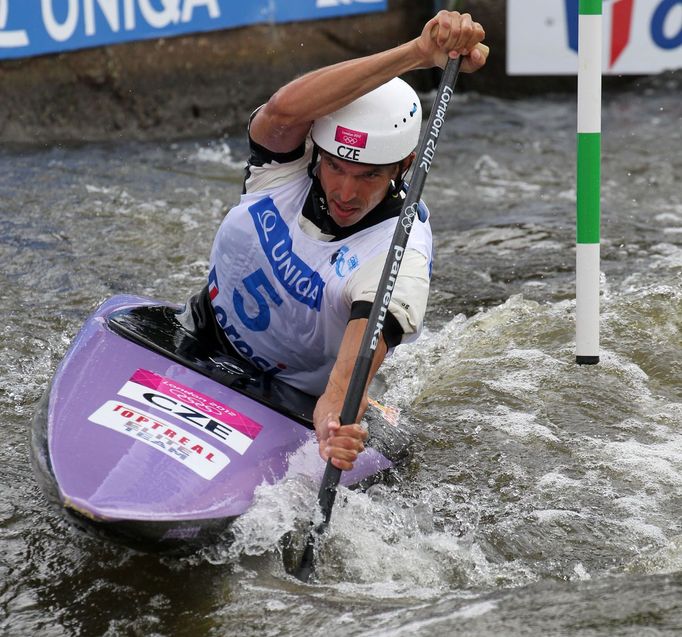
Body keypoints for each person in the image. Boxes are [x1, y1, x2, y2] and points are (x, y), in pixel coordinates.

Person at [185, 10, 487, 472]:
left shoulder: (397, 253)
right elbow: (285, 109)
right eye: (336, 167)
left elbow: (348, 376)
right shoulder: (284, 167)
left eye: (369, 175)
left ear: (403, 167)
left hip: (294, 399)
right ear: (317, 153)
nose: (346, 192)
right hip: (200, 340)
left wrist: (331, 422)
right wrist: (418, 53)